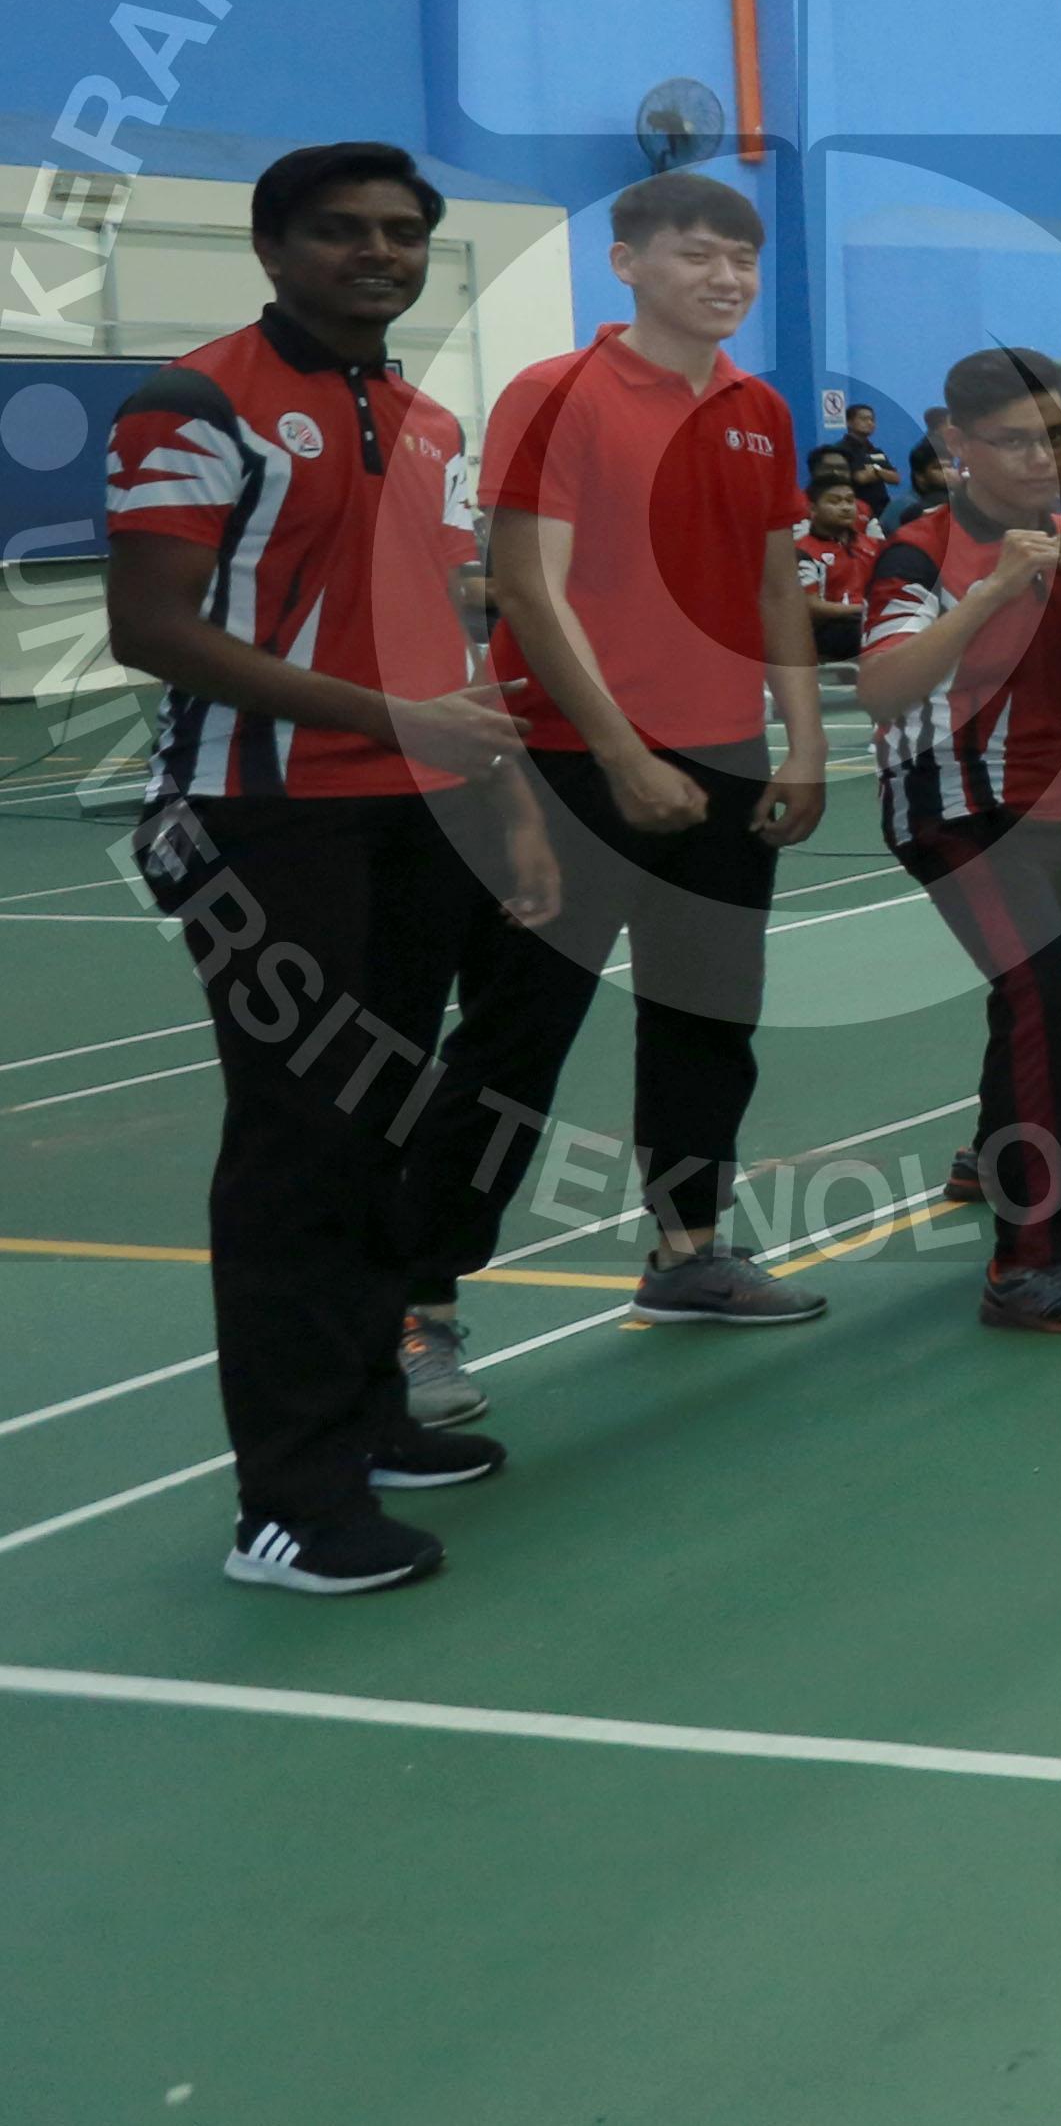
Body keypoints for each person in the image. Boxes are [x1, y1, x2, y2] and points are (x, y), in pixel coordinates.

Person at [102, 145, 555, 1594]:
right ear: (272, 247)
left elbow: (441, 628)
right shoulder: (194, 401)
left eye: (402, 232)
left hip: (412, 817)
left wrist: (508, 803)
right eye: (341, 230)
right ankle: (287, 1505)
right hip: (256, 819)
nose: (379, 252)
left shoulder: (425, 419)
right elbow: (150, 627)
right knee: (299, 1146)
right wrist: (387, 719)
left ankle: (366, 1419)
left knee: (383, 1122)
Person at [393, 170, 833, 1403]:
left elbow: (775, 588)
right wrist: (624, 750)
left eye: (741, 258)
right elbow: (530, 586)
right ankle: (418, 1302)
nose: (726, 277)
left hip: (726, 766)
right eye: (697, 252)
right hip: (568, 769)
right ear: (628, 261)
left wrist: (800, 741)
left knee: (707, 1022)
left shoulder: (759, 408)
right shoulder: (557, 392)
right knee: (515, 1039)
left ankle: (689, 1252)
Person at [856, 349, 1061, 1332]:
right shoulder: (916, 553)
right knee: (1043, 994)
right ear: (957, 443)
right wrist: (988, 591)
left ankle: (998, 1149)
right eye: (1016, 440)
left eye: (1055, 437)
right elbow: (883, 687)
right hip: (958, 809)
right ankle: (1031, 1263)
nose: (1041, 458)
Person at [795, 470, 872, 669]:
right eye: (834, 501)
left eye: (850, 500)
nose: (845, 507)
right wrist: (862, 610)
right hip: (829, 631)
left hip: (867, 621)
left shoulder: (873, 546)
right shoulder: (802, 551)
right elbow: (810, 607)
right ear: (813, 508)